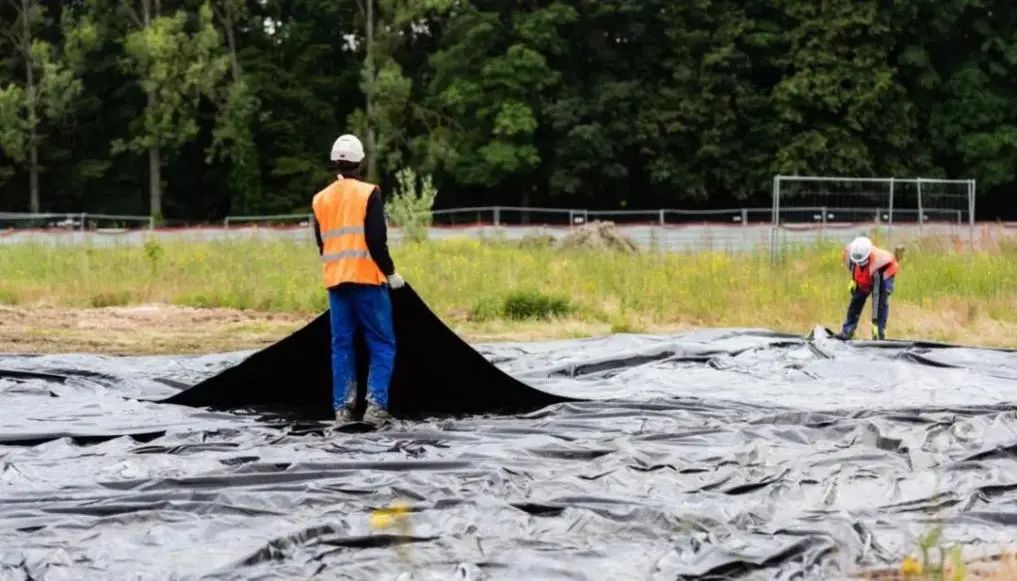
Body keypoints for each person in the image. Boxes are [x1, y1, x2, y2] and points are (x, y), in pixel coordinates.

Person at [311, 133, 405, 426]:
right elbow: (376, 239)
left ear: (334, 163)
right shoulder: (368, 193)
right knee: (381, 344)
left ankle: (342, 410)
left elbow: (322, 243)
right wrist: (390, 272)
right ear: (360, 163)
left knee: (342, 346)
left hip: (336, 283)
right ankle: (375, 408)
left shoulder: (320, 199)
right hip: (367, 278)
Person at [837, 236, 898, 340]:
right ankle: (847, 331)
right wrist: (854, 280)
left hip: (885, 274)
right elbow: (854, 267)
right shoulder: (849, 254)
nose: (859, 263)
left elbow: (876, 298)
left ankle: (879, 332)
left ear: (868, 256)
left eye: (862, 261)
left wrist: (875, 322)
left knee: (881, 303)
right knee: (856, 300)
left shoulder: (878, 266)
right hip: (868, 271)